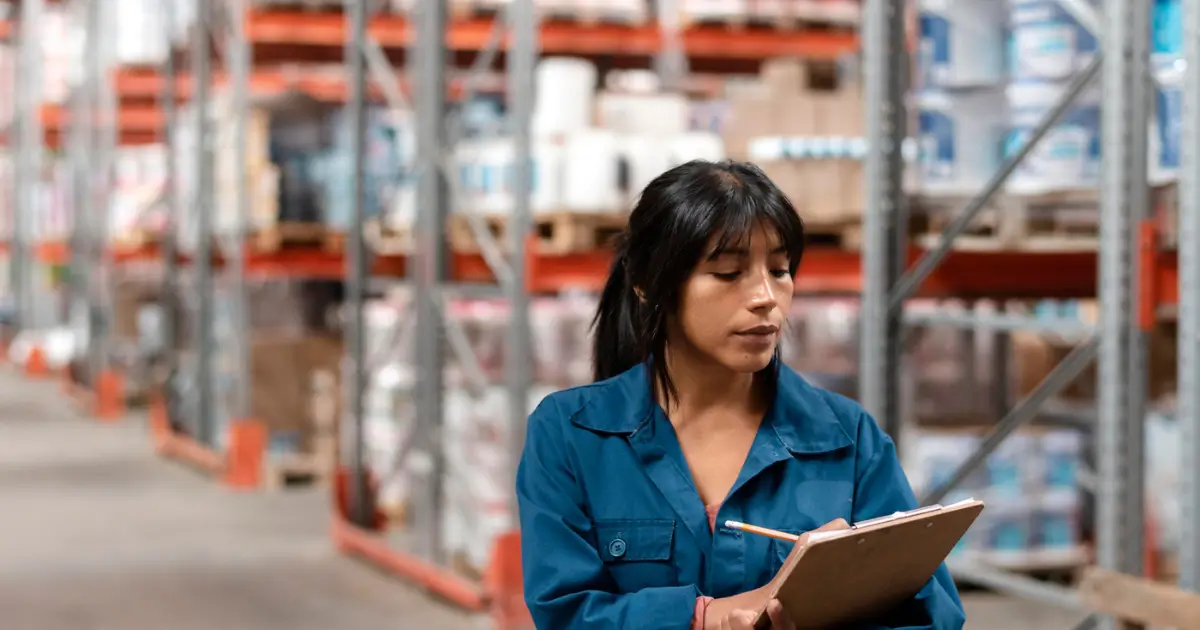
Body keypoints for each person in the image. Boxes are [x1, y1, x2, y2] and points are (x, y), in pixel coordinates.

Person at [516, 160, 966, 630]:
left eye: (780, 269)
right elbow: (565, 612)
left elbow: (930, 615)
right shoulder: (571, 434)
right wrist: (704, 616)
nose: (765, 296)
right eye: (729, 273)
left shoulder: (847, 441)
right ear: (648, 284)